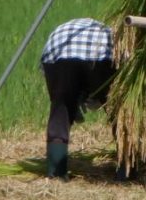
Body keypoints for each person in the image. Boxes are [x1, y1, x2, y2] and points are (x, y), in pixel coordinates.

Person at [39, 18, 115, 181]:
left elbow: (54, 83)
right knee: (118, 110)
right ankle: (126, 170)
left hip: (58, 49)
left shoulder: (61, 32)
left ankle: (56, 171)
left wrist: (67, 100)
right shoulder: (108, 34)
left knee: (61, 109)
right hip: (100, 52)